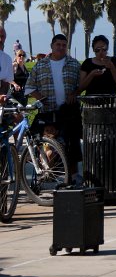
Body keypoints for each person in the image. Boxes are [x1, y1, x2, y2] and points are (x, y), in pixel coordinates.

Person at [24, 34, 82, 176]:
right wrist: (42, 98)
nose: (61, 48)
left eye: (64, 45)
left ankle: (74, 177)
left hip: (69, 113)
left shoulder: (74, 64)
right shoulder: (40, 65)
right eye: (58, 44)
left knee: (72, 145)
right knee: (47, 146)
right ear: (52, 46)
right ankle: (48, 174)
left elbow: (81, 85)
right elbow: (30, 87)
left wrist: (75, 93)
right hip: (47, 112)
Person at [0, 26, 14, 101]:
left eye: (3, 37)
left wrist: (2, 96)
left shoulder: (7, 59)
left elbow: (6, 82)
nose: (0, 39)